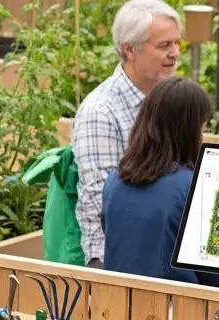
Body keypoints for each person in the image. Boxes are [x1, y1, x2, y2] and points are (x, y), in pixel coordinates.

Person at [70, 0, 182, 267]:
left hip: (165, 250)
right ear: (130, 49)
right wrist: (106, 273)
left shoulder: (170, 99)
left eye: (178, 43)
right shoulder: (101, 112)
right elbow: (99, 205)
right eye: (164, 45)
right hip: (124, 261)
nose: (175, 53)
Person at [102, 76, 219, 289]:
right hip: (177, 312)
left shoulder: (113, 182)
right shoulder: (193, 187)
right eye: (201, 129)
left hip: (116, 306)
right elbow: (218, 279)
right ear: (188, 132)